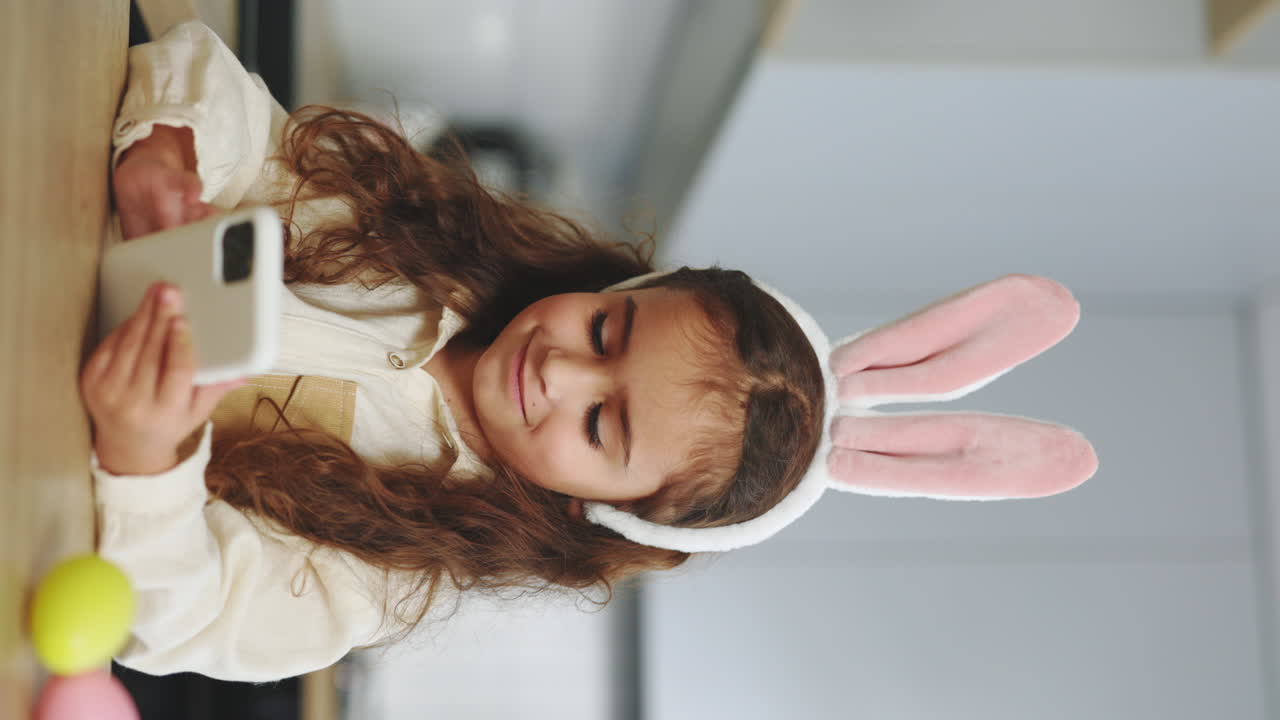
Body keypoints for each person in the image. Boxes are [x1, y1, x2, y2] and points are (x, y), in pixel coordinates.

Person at [83, 21, 1097, 683]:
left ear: (593, 512)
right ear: (614, 288)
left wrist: (145, 464)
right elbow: (222, 97)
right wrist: (174, 149)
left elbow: (181, 615)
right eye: (605, 333)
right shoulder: (406, 238)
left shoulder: (390, 569)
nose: (558, 372)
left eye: (600, 424)